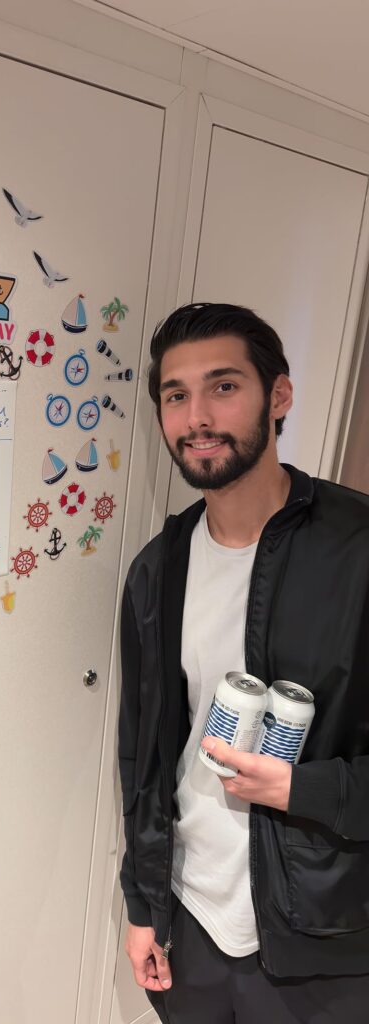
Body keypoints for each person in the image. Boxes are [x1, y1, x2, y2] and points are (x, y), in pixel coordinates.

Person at [118, 302, 369, 1023]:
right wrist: (144, 906)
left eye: (224, 386)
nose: (197, 415)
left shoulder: (357, 550)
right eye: (175, 394)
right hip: (191, 925)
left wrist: (303, 789)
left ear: (278, 395)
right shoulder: (158, 569)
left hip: (322, 942)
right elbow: (143, 757)